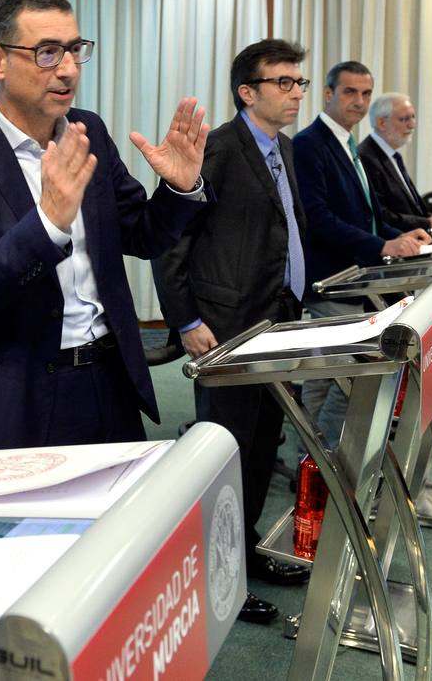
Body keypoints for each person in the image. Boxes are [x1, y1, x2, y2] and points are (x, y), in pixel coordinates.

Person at [0, 0, 209, 454]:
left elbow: (142, 234)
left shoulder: (87, 131)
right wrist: (48, 222)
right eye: (48, 53)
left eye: (74, 49)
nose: (69, 69)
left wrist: (178, 187)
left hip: (106, 381)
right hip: (12, 396)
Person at [154, 38, 312, 626]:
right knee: (226, 454)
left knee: (263, 443)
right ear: (248, 91)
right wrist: (187, 319)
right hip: (226, 328)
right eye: (284, 83)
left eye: (299, 81)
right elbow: (171, 239)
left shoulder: (284, 149)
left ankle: (243, 554)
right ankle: (218, 576)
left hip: (278, 320)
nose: (296, 92)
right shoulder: (216, 149)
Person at [292, 62, 432, 445]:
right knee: (348, 378)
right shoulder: (309, 143)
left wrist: (402, 236)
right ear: (328, 94)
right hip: (331, 280)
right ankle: (328, 463)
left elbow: (369, 216)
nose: (359, 102)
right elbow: (317, 219)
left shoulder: (349, 143)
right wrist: (382, 245)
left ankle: (316, 461)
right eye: (350, 92)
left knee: (328, 377)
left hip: (355, 276)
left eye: (366, 93)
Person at [358, 93, 432, 231]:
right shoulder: (366, 157)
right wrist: (427, 222)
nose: (412, 124)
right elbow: (380, 215)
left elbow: (411, 210)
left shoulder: (392, 155)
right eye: (404, 119)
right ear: (382, 123)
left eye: (413, 117)